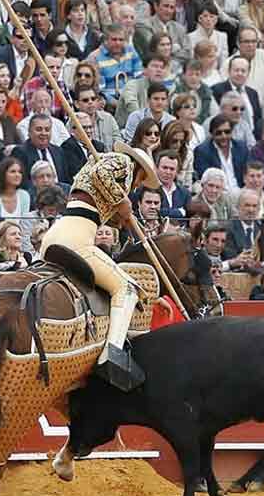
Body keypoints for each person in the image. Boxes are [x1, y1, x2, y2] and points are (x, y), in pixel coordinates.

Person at [40, 143, 160, 390]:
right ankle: (111, 355)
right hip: (76, 239)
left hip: (55, 235)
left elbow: (104, 205)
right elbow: (101, 175)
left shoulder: (95, 165)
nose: (137, 186)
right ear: (138, 169)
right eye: (140, 181)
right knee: (127, 288)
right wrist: (122, 199)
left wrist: (124, 215)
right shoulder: (123, 162)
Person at [194, 114, 249, 189]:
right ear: (211, 134)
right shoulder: (202, 151)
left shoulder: (241, 147)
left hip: (241, 191)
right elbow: (205, 179)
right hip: (218, 193)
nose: (224, 136)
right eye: (218, 133)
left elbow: (248, 173)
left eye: (227, 132)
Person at [154, 149, 191, 219]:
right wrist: (180, 212)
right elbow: (155, 212)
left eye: (172, 169)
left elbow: (189, 215)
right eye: (164, 168)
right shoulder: (149, 189)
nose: (168, 172)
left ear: (177, 171)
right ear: (156, 168)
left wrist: (165, 212)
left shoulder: (185, 193)